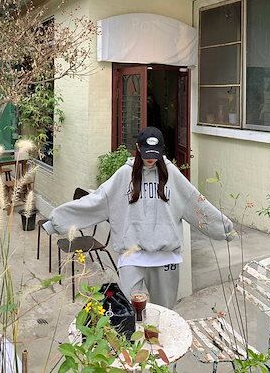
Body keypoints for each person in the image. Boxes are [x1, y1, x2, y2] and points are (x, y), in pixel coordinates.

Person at [43, 127, 236, 309]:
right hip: (131, 256)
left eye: (155, 154)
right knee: (131, 312)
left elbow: (195, 203)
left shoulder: (172, 174)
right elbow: (96, 202)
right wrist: (57, 221)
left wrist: (223, 228)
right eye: (146, 153)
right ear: (137, 148)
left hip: (165, 257)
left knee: (164, 312)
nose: (150, 159)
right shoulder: (124, 174)